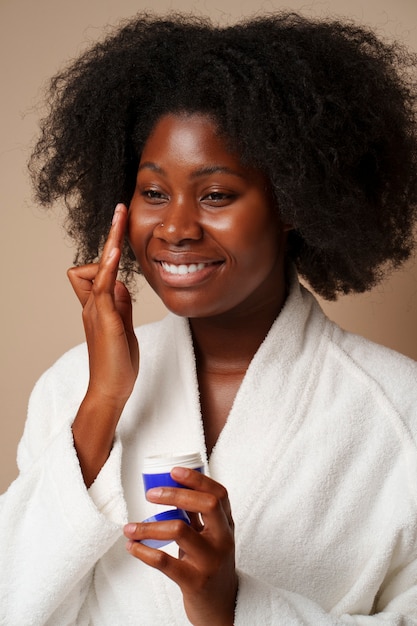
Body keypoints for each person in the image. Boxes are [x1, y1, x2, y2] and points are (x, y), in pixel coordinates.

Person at [1, 11, 417, 626]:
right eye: (153, 192)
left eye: (216, 194)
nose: (175, 228)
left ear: (294, 201)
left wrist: (231, 606)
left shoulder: (399, 414)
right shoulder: (73, 390)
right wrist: (103, 402)